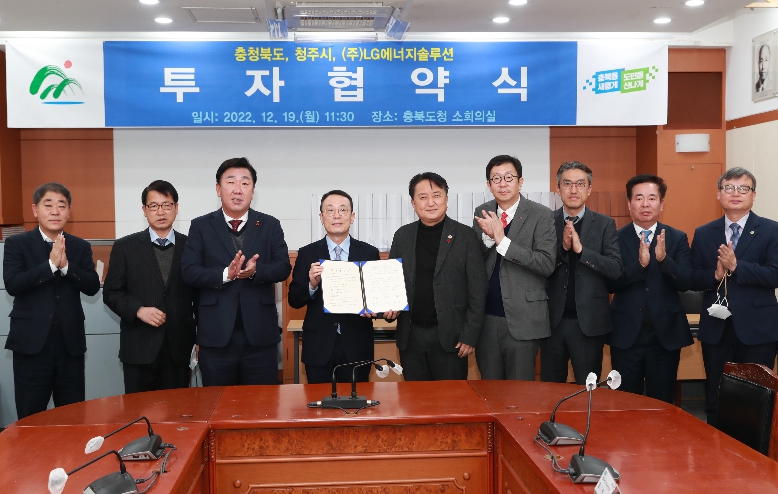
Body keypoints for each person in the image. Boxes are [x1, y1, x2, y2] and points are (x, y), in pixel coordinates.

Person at [181, 157, 291, 386]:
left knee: (262, 402)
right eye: (231, 182)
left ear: (253, 190)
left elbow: (283, 267)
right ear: (218, 189)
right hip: (216, 335)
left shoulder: (270, 225)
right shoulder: (201, 226)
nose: (238, 189)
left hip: (260, 336)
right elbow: (189, 271)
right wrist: (225, 275)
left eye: (245, 183)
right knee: (217, 402)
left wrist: (256, 271)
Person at [3, 183, 100, 419]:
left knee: (73, 415)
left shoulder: (80, 246)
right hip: (30, 344)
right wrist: (49, 265)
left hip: (70, 345)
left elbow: (92, 286)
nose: (55, 211)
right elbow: (13, 284)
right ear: (35, 210)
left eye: (61, 206)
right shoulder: (17, 244)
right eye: (48, 205)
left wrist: (66, 267)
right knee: (30, 416)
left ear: (69, 212)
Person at [691, 167, 778, 425]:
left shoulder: (771, 230)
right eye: (729, 188)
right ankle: (716, 446)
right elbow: (693, 278)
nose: (736, 193)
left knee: (758, 402)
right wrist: (715, 275)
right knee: (716, 400)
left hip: (758, 331)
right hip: (717, 330)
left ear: (754, 195)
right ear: (719, 194)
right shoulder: (704, 232)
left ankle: (754, 450)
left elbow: (775, 274)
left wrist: (737, 266)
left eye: (743, 188)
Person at [384, 172, 486, 381]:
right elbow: (391, 283)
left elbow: (478, 290)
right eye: (423, 197)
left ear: (446, 199)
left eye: (436, 195)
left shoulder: (466, 236)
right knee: (414, 398)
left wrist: (470, 335)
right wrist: (387, 307)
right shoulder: (402, 236)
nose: (430, 202)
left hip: (452, 338)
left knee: (451, 399)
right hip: (411, 337)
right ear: (413, 203)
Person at [103, 180, 197, 394]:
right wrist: (138, 310)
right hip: (139, 347)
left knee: (178, 410)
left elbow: (200, 296)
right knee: (139, 410)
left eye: (167, 205)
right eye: (154, 206)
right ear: (144, 210)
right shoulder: (125, 247)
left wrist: (201, 339)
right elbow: (111, 293)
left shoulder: (191, 246)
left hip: (179, 348)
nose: (160, 212)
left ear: (176, 208)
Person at [607, 174, 693, 403]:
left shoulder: (677, 238)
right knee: (625, 402)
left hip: (665, 335)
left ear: (661, 204)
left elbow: (686, 282)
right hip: (626, 334)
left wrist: (664, 261)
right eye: (639, 198)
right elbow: (609, 283)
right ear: (629, 203)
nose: (645, 204)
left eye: (652, 198)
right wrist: (639, 266)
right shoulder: (614, 238)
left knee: (662, 403)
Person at [473, 155, 556, 380]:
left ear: (520, 182)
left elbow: (546, 264)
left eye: (509, 178)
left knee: (520, 393)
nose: (502, 183)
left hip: (524, 319)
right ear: (489, 185)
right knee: (489, 391)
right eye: (496, 179)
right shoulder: (482, 212)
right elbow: (474, 263)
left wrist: (502, 242)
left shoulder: (541, 214)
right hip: (486, 320)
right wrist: (487, 240)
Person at [541, 162, 622, 385]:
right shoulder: (545, 222)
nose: (573, 190)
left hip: (589, 324)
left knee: (588, 392)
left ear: (589, 189)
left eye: (580, 184)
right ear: (558, 188)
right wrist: (563, 249)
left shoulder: (605, 224)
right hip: (551, 322)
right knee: (549, 391)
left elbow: (615, 268)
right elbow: (538, 267)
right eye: (567, 184)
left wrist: (581, 251)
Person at [288, 190, 380, 384]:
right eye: (330, 210)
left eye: (342, 210)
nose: (336, 215)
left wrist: (374, 308)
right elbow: (294, 299)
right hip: (318, 345)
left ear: (352, 217)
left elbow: (377, 297)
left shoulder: (369, 253)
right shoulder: (306, 253)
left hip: (357, 345)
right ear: (321, 218)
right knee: (318, 400)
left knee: (357, 400)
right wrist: (311, 285)